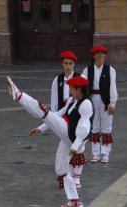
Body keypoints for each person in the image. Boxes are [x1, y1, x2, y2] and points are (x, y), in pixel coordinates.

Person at [7, 75, 94, 207]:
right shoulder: (73, 99)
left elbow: (84, 126)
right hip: (68, 132)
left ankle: (19, 95)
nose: (69, 91)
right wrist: (41, 128)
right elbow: (59, 114)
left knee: (44, 111)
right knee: (61, 168)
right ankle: (75, 200)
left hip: (73, 136)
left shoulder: (86, 104)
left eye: (71, 88)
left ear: (79, 89)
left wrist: (76, 145)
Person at [29, 51, 84, 188]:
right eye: (65, 63)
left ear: (74, 64)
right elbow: (55, 106)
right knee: (66, 145)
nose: (68, 66)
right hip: (64, 115)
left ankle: (76, 177)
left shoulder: (80, 79)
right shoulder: (58, 80)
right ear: (62, 64)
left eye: (70, 63)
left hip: (78, 116)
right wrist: (43, 126)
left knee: (77, 145)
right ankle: (68, 174)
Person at [82, 45, 118, 163]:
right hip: (92, 100)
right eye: (98, 54)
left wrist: (112, 103)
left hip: (105, 100)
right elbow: (83, 87)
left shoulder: (110, 70)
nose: (101, 56)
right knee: (94, 127)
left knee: (106, 127)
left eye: (103, 54)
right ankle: (95, 154)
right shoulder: (87, 70)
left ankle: (105, 154)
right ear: (93, 56)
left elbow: (113, 88)